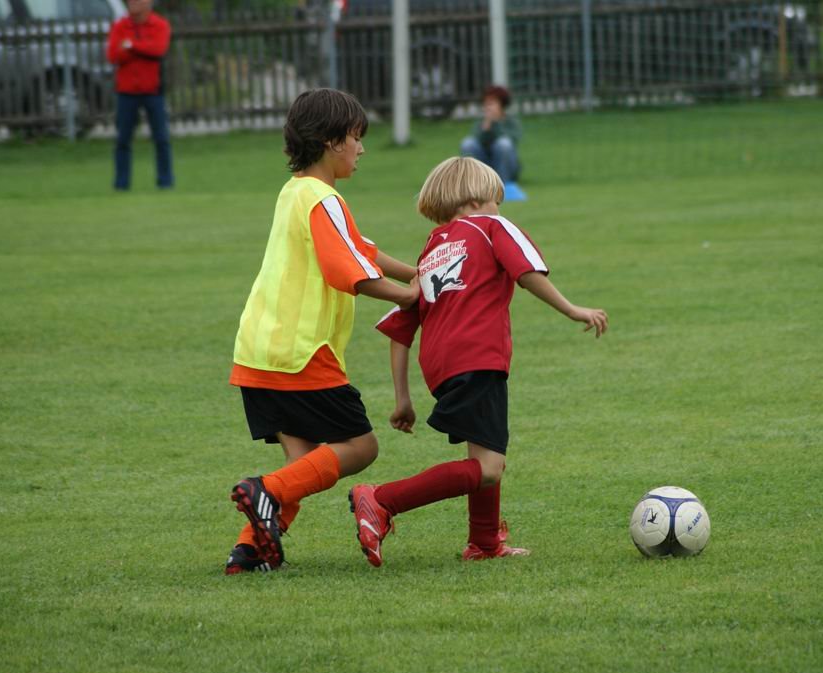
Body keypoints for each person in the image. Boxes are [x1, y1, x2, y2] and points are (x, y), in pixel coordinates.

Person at [350, 156, 608, 566]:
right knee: (488, 468)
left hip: (440, 366)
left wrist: (403, 398)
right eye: (497, 200)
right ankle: (381, 500)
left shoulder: (433, 250)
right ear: (479, 197)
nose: (500, 210)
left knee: (485, 450)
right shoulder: (490, 227)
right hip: (477, 355)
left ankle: (484, 543)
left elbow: (400, 329)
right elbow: (527, 271)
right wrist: (572, 309)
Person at [225, 88, 419, 574]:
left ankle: (248, 553)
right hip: (301, 351)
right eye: (357, 137)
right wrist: (408, 296)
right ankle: (262, 491)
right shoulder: (323, 197)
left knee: (303, 466)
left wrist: (416, 272)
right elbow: (346, 270)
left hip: (257, 352)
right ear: (333, 140)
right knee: (360, 447)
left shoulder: (295, 191)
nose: (362, 149)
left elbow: (361, 249)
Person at [106, 0, 173, 190]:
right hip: (126, 92)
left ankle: (165, 182)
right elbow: (113, 55)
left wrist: (131, 46)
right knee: (122, 140)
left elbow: (158, 49)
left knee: (161, 138)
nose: (132, 3)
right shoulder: (120, 26)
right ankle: (121, 184)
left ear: (149, 3)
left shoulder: (160, 25)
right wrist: (138, 49)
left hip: (153, 91)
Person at [459, 85, 525, 202]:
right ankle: (473, 184)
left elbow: (511, 142)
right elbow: (479, 142)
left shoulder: (511, 122)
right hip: (485, 163)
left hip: (506, 166)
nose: (488, 107)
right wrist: (487, 126)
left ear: (501, 105)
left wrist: (495, 123)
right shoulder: (481, 123)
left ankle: (502, 185)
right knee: (468, 143)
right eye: (486, 104)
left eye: (492, 103)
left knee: (503, 144)